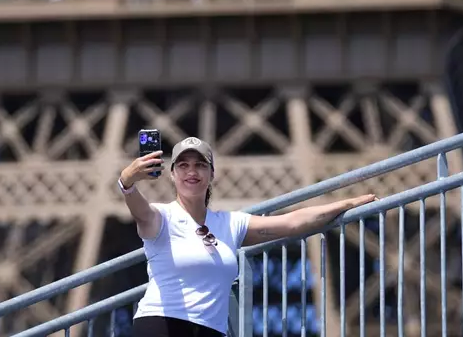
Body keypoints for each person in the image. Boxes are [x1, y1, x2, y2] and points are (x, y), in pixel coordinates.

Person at [117, 136, 377, 337]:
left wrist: (344, 205)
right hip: (162, 325)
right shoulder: (161, 218)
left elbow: (291, 222)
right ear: (172, 175)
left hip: (211, 329)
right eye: (183, 165)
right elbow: (140, 212)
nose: (191, 172)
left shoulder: (231, 223)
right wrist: (127, 183)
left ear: (211, 174)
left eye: (200, 165)